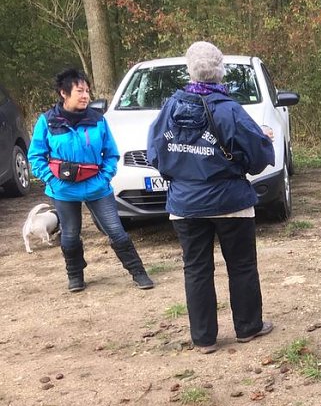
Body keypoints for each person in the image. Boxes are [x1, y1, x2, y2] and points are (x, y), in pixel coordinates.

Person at [147, 41, 275, 354]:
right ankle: (248, 327)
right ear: (220, 72)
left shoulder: (169, 109)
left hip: (186, 205)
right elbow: (260, 155)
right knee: (242, 266)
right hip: (231, 201)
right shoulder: (230, 109)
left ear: (188, 69)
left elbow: (155, 153)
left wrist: (180, 177)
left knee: (196, 269)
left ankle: (204, 338)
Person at [28, 68, 154, 293]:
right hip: (63, 190)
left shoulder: (98, 120)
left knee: (116, 231)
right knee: (69, 234)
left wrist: (105, 177)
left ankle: (138, 272)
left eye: (87, 91)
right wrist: (51, 180)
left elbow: (111, 153)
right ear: (64, 93)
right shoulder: (47, 122)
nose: (85, 95)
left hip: (97, 187)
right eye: (80, 91)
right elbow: (35, 156)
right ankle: (75, 275)